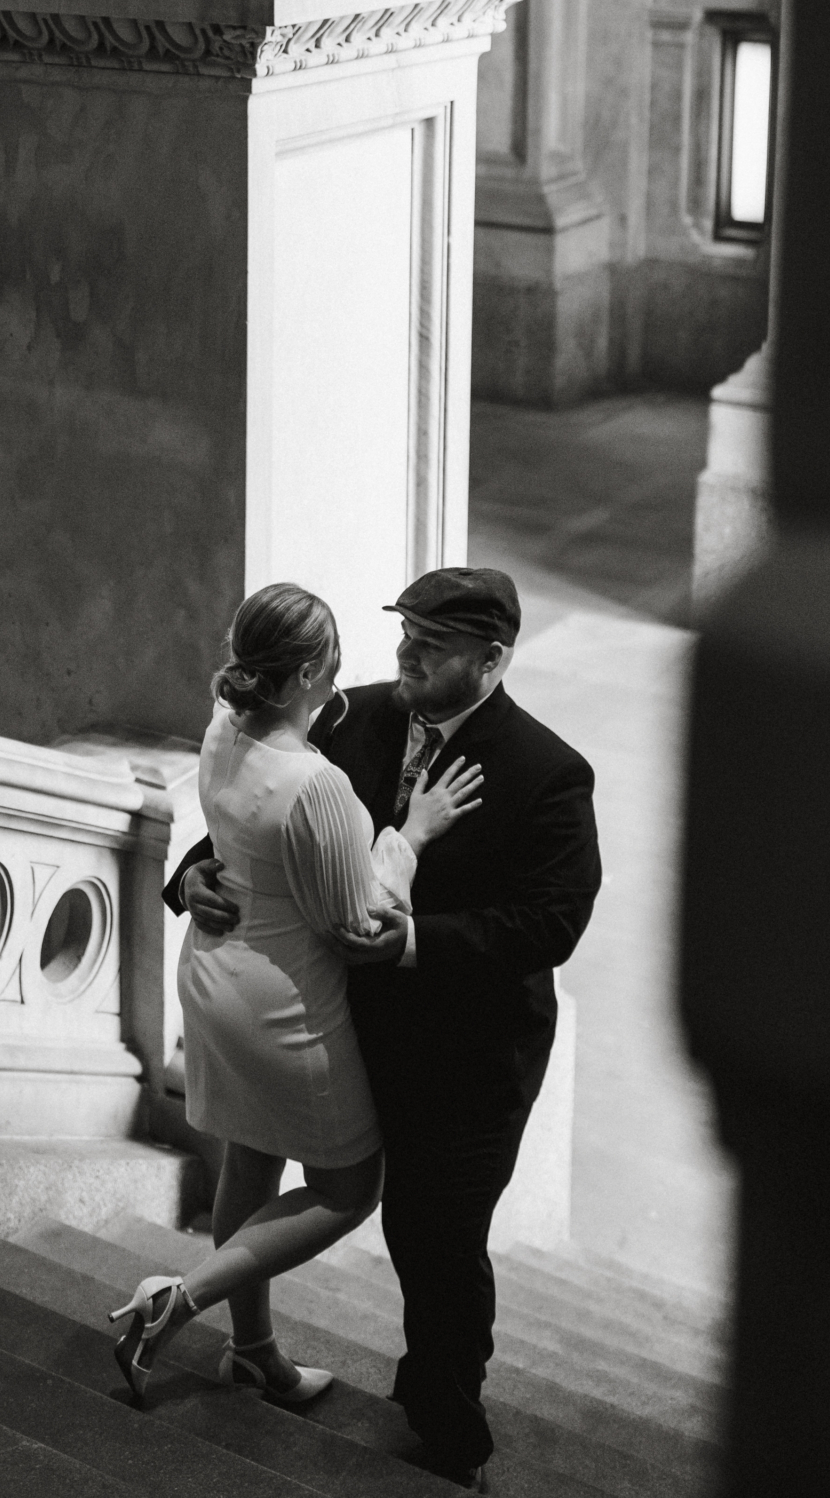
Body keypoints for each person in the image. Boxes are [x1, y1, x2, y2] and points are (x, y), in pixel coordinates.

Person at [170, 566, 601, 1490]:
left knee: (434, 1237)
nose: (403, 653)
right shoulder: (351, 714)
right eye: (403, 631)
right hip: (339, 1025)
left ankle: (448, 1427)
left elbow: (550, 924)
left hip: (467, 1054)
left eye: (429, 643)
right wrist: (190, 878)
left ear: (489, 661)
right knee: (262, 1164)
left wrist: (413, 945)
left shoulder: (546, 772)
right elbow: (258, 812)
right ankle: (252, 1348)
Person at [109, 581, 486, 1407]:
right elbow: (355, 923)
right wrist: (412, 835)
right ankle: (179, 1301)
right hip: (282, 1003)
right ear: (317, 669)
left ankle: (253, 1354)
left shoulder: (221, 729)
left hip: (213, 973)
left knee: (251, 1157)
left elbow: (235, 840)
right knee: (350, 1187)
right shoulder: (314, 785)